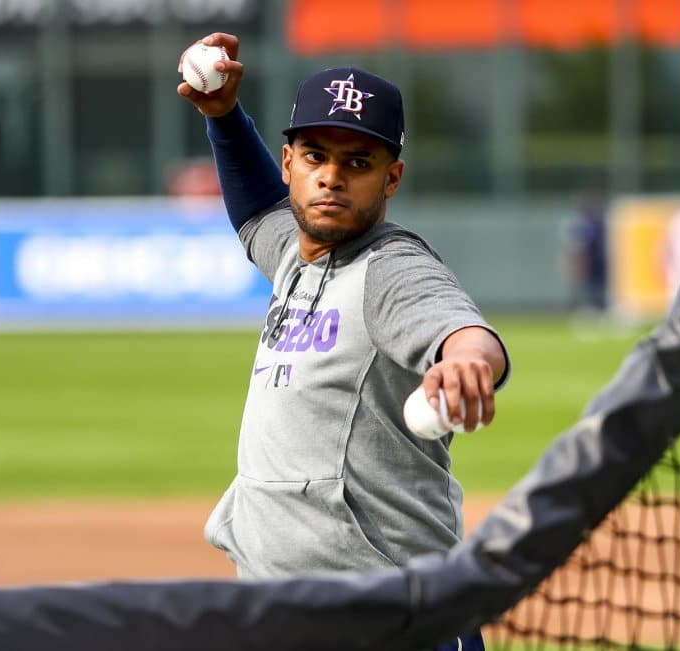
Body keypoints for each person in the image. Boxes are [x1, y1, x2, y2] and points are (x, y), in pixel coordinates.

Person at [178, 33, 510, 649]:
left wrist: (465, 362)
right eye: (315, 156)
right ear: (289, 164)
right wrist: (224, 117)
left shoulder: (389, 268)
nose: (331, 178)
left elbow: (459, 328)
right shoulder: (294, 258)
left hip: (391, 619)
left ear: (392, 178)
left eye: (358, 162)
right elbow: (256, 214)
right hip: (283, 613)